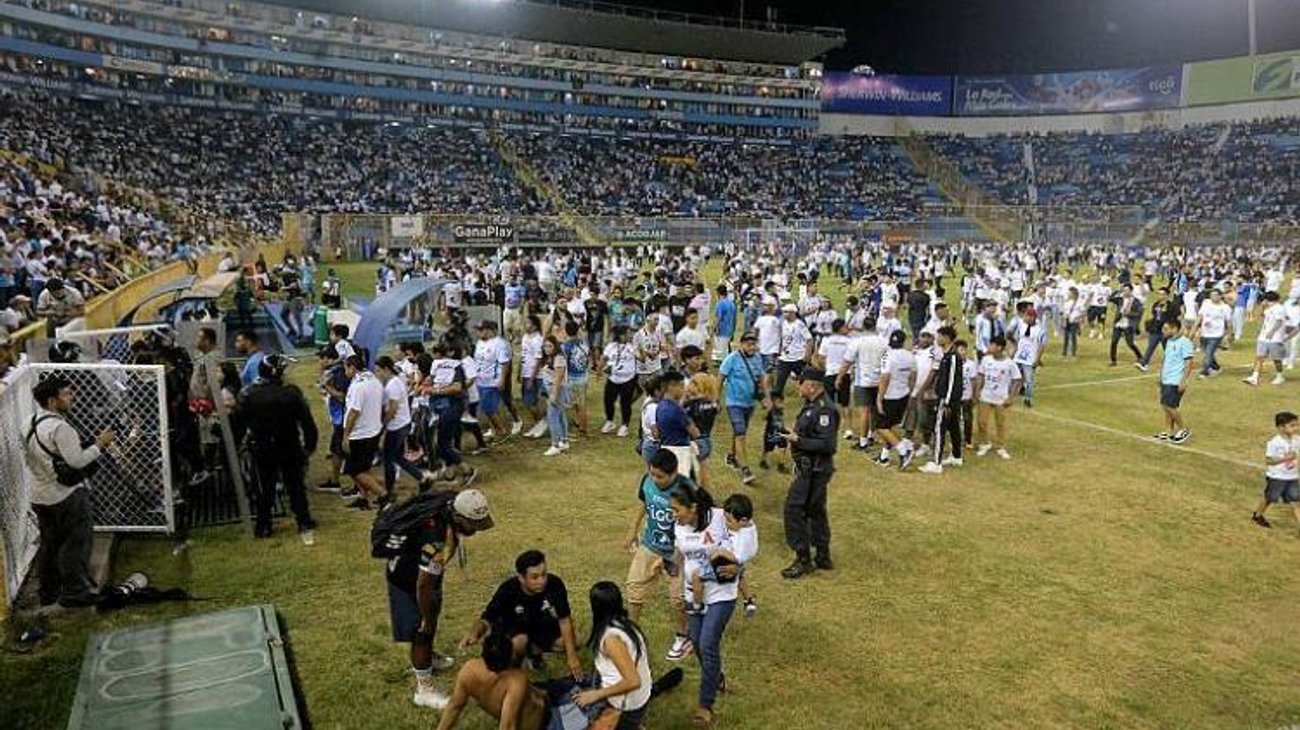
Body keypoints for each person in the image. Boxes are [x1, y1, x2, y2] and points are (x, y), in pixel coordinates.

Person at [388, 488, 495, 710]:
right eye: (473, 523)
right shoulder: (436, 539)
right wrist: (426, 617)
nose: (476, 529)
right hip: (408, 580)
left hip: (424, 576)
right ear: (459, 517)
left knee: (430, 618)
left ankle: (427, 658)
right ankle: (424, 688)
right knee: (422, 630)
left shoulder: (449, 506)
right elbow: (423, 585)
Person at [26, 374, 114, 609]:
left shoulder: (29, 423)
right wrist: (99, 445)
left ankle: (49, 592)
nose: (71, 396)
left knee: (49, 544)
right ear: (53, 401)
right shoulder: (60, 428)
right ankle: (76, 592)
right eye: (66, 393)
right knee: (76, 543)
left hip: (39, 495)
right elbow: (77, 461)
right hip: (65, 494)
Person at [668, 483, 735, 727]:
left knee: (707, 643)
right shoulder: (679, 525)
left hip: (720, 592)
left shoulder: (719, 517)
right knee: (696, 642)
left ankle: (705, 706)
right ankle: (716, 676)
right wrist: (672, 568)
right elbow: (680, 552)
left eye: (677, 510)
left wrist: (738, 565)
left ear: (693, 507)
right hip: (692, 595)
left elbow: (743, 536)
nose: (673, 515)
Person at [459, 550, 584, 680]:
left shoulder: (555, 584)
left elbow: (564, 620)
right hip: (515, 631)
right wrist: (474, 632)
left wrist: (572, 656)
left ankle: (534, 652)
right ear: (521, 578)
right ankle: (514, 672)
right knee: (519, 642)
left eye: (544, 574)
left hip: (540, 627)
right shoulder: (508, 590)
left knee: (575, 641)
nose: (541, 581)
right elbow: (486, 619)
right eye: (534, 577)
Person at [238, 354, 319, 543]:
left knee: (265, 487)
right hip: (289, 445)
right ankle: (303, 520)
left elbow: (242, 422)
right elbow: (306, 421)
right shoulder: (291, 393)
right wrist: (309, 444)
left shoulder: (249, 394)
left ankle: (264, 525)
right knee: (295, 485)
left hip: (263, 447)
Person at [779, 367, 839, 579]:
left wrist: (798, 441)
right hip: (812, 467)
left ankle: (803, 558)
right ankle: (822, 555)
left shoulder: (824, 410)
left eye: (801, 383)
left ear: (811, 386)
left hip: (814, 469)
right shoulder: (813, 405)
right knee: (815, 511)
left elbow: (828, 445)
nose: (797, 387)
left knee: (794, 510)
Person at [575, 582, 654, 729]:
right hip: (640, 697)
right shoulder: (627, 625)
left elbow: (633, 681)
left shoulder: (611, 639)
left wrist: (596, 694)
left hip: (627, 705)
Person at [718, 332, 769, 485]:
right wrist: (716, 399)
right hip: (733, 403)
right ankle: (745, 469)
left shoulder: (758, 358)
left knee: (739, 431)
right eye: (748, 344)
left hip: (749, 403)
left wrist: (766, 397)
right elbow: (720, 377)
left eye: (753, 344)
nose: (751, 347)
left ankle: (732, 456)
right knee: (740, 434)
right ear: (741, 345)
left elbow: (761, 378)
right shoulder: (732, 359)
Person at [341, 354, 388, 509]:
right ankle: (363, 497)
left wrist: (346, 435)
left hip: (360, 433)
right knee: (364, 468)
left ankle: (382, 494)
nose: (345, 371)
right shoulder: (374, 380)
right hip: (373, 429)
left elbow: (354, 411)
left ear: (352, 368)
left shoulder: (357, 386)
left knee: (355, 471)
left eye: (346, 368)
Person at [375, 356, 426, 495]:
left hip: (396, 427)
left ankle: (389, 490)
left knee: (388, 459)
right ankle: (422, 478)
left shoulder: (392, 385)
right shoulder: (396, 381)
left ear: (386, 369)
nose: (377, 374)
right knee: (397, 457)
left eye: (379, 370)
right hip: (402, 424)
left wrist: (383, 427)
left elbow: (392, 409)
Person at [920, 326, 964, 474]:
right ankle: (957, 456)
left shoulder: (952, 356)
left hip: (947, 399)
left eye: (939, 336)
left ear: (946, 338)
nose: (937, 339)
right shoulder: (947, 355)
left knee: (939, 428)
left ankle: (937, 462)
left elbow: (952, 381)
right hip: (951, 399)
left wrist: (946, 402)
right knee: (953, 427)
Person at [973, 334, 1021, 459]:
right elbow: (980, 375)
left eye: (992, 345)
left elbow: (1017, 380)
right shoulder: (986, 360)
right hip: (986, 396)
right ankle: (984, 443)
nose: (989, 347)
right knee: (981, 421)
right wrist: (977, 390)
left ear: (999, 347)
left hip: (1001, 398)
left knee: (1000, 423)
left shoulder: (1009, 364)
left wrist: (1011, 397)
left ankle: (1001, 446)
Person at [1251, 412, 1300, 532]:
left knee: (1296, 502)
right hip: (1277, 477)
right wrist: (1285, 458)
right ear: (1281, 427)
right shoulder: (1274, 443)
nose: (1296, 428)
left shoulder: (1297, 440)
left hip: (1292, 477)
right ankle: (1257, 516)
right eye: (1292, 426)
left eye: (1296, 425)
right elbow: (1269, 461)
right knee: (1269, 498)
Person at [875, 329, 917, 469]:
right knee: (890, 426)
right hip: (903, 394)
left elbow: (885, 377)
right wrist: (909, 391)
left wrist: (879, 398)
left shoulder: (888, 355)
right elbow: (912, 376)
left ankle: (903, 450)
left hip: (890, 396)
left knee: (882, 427)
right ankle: (884, 456)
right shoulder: (910, 355)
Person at [656, 370, 700, 478]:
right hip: (681, 452)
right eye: (681, 386)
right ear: (671, 386)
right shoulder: (678, 411)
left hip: (665, 448)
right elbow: (695, 433)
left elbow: (657, 432)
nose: (684, 390)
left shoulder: (660, 406)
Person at [1156, 319, 1194, 444]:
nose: (1163, 331)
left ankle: (1183, 429)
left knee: (1170, 406)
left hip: (1176, 380)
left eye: (1166, 329)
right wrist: (1161, 375)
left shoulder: (1185, 342)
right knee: (1165, 406)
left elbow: (1189, 363)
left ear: (1175, 329)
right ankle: (1168, 431)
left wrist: (1183, 381)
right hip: (1167, 379)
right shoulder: (1168, 342)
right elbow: (1166, 360)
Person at [599, 324, 639, 437]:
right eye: (628, 333)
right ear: (621, 335)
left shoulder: (632, 347)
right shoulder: (611, 346)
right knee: (608, 400)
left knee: (625, 403)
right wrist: (600, 368)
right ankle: (609, 421)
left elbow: (640, 358)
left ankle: (625, 425)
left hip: (628, 379)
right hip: (613, 378)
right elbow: (604, 358)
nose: (630, 335)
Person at [1244, 291, 1287, 387]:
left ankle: (1279, 376)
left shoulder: (1279, 309)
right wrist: (1263, 306)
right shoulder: (1269, 308)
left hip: (1275, 338)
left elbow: (1279, 322)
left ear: (1267, 300)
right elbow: (1262, 315)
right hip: (1263, 337)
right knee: (1259, 357)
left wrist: (1271, 332)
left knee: (1276, 359)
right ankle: (1254, 377)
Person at [541, 335, 570, 457]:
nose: (547, 348)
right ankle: (564, 440)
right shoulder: (550, 358)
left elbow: (558, 379)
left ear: (555, 346)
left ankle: (555, 445)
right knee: (560, 415)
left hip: (557, 390)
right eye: (545, 346)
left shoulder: (558, 359)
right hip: (553, 390)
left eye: (550, 346)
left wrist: (554, 395)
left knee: (552, 417)